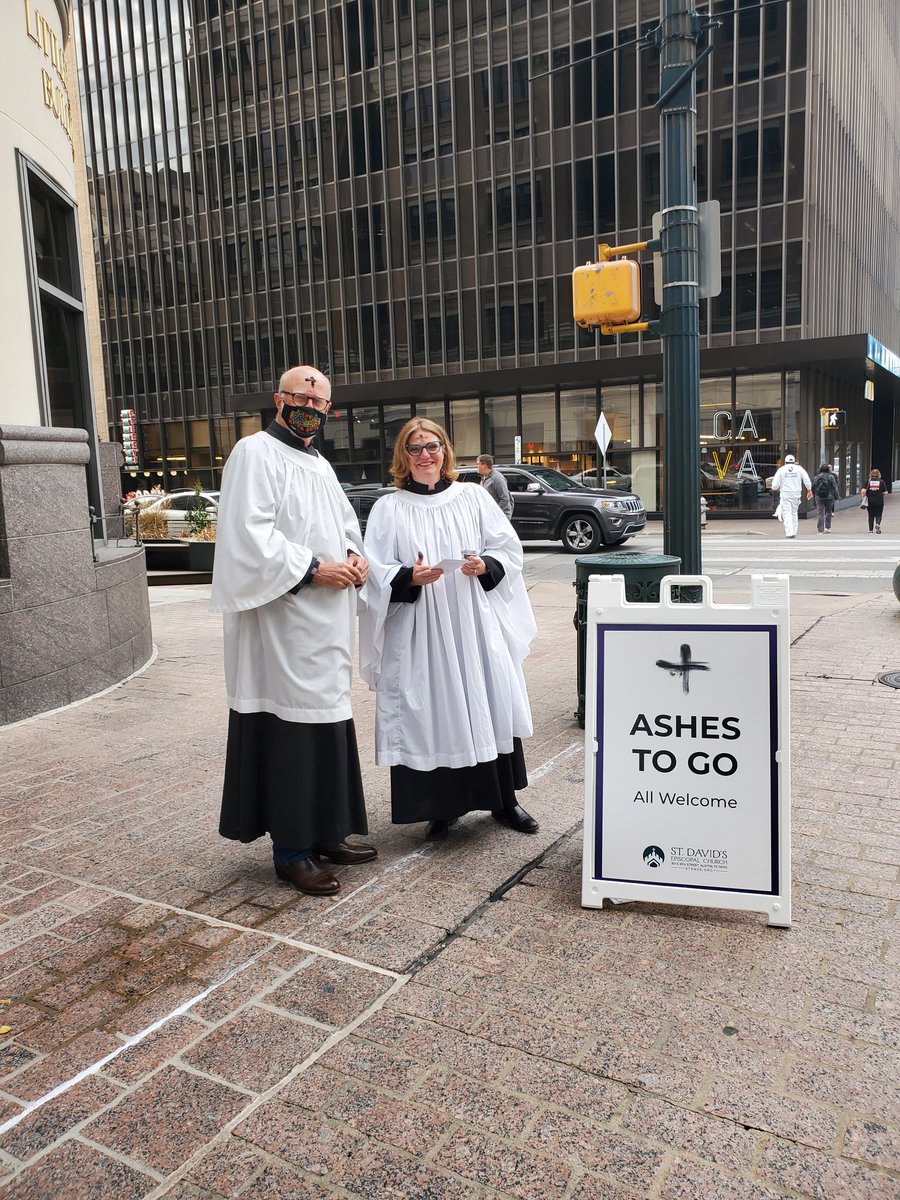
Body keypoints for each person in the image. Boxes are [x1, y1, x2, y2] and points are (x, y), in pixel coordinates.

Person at [210, 366, 376, 896]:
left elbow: (346, 525)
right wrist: (311, 570)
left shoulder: (321, 465)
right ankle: (291, 851)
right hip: (281, 618)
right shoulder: (254, 453)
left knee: (328, 722)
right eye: (301, 394)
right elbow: (245, 535)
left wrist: (355, 556)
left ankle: (327, 832)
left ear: (328, 411)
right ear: (278, 398)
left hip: (326, 622)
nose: (309, 403)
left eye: (319, 399)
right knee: (290, 731)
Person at [359, 418, 538, 842]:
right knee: (433, 710)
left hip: (472, 621)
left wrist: (485, 564)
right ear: (403, 456)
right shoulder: (390, 507)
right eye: (415, 448)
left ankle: (504, 801)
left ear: (445, 451)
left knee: (487, 700)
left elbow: (507, 547)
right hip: (422, 629)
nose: (425, 454)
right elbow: (375, 569)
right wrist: (408, 577)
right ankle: (442, 806)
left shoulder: (472, 496)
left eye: (432, 446)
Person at [770, 454, 812, 539]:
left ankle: (789, 532)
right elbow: (807, 479)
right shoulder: (799, 469)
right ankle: (794, 531)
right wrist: (809, 489)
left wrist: (774, 487)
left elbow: (774, 485)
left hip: (785, 494)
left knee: (787, 513)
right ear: (794, 461)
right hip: (796, 494)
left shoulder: (781, 470)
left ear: (785, 462)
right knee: (794, 513)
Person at [476, 454, 514, 518]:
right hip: (490, 516)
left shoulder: (497, 478)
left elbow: (504, 499)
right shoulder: (484, 478)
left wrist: (494, 512)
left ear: (484, 466)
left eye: (478, 464)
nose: (476, 466)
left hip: (500, 516)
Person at [812, 463, 839, 533]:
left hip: (819, 497)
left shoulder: (816, 477)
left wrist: (815, 495)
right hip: (829, 497)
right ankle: (827, 527)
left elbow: (813, 488)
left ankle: (820, 529)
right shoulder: (831, 477)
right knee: (828, 512)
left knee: (820, 513)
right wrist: (837, 496)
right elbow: (835, 487)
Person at [861, 468, 886, 533]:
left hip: (870, 501)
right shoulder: (881, 481)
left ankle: (870, 530)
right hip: (879, 501)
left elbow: (863, 491)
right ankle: (877, 524)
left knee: (870, 515)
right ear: (879, 474)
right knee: (879, 514)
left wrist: (863, 496)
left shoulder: (867, 481)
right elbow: (885, 492)